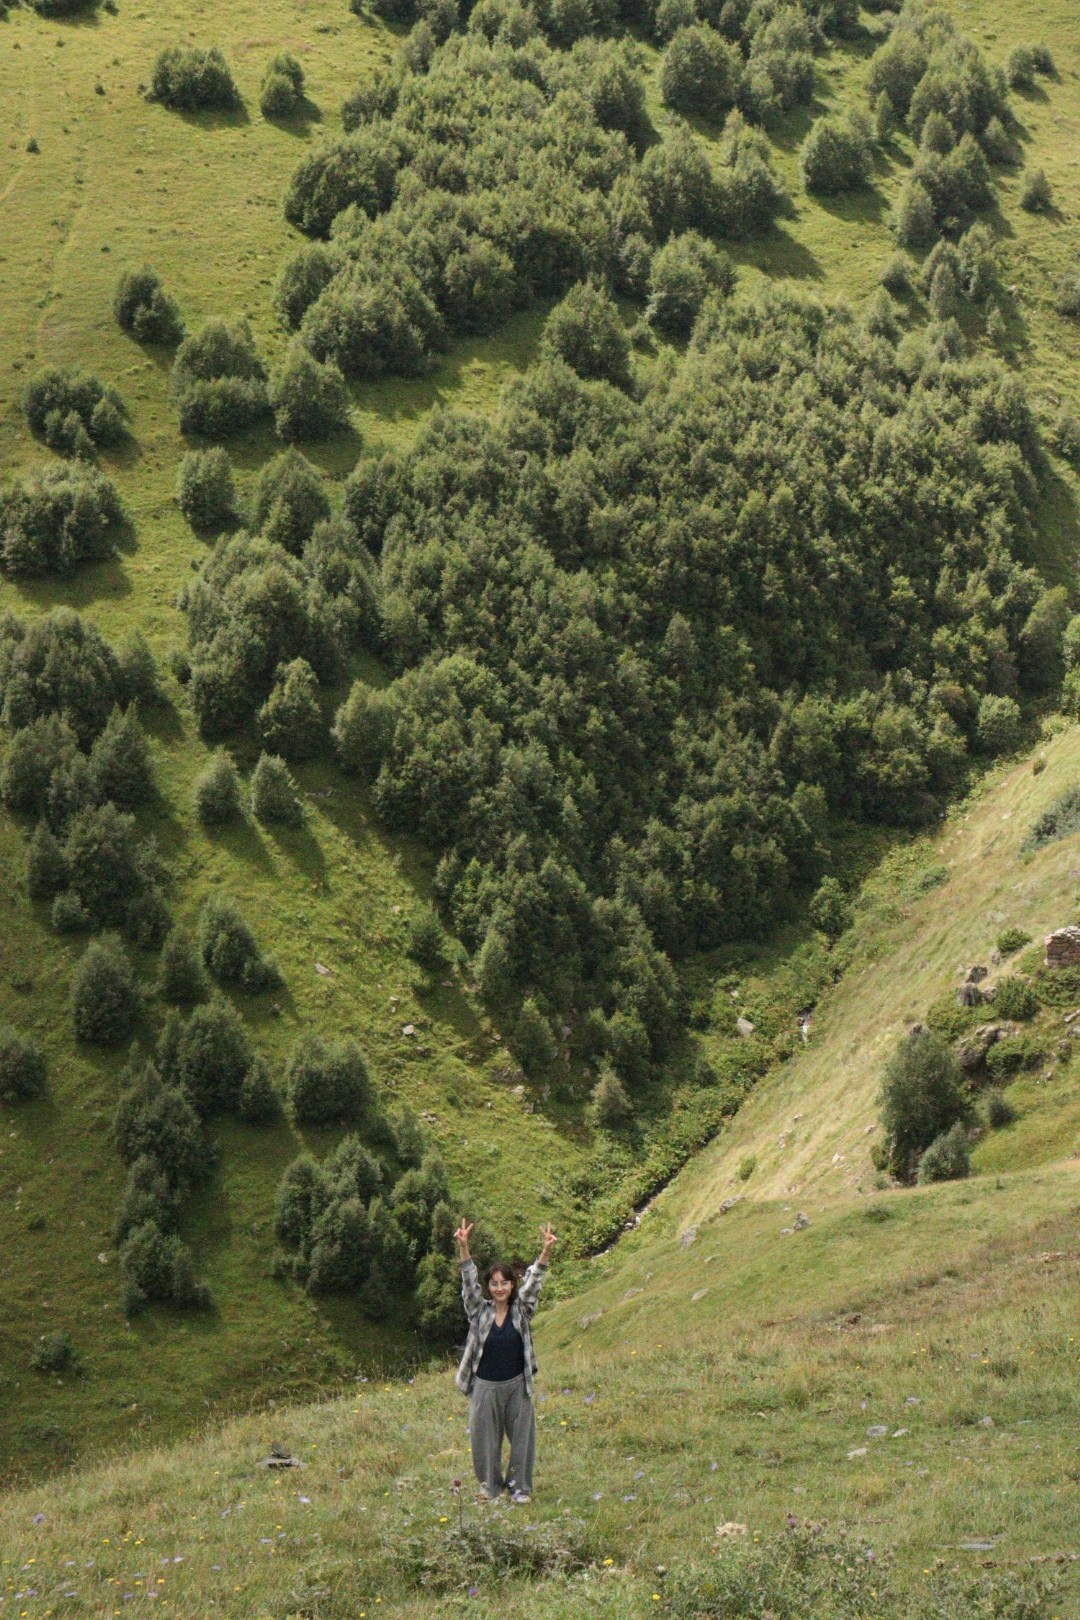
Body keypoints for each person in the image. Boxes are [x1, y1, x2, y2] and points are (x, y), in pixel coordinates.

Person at [454, 1216, 557, 1504]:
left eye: (505, 1283)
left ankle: (519, 1488)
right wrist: (464, 1248)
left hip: (516, 1386)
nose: (499, 1288)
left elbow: (535, 1281)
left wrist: (546, 1251)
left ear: (512, 1286)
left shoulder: (521, 1310)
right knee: (484, 1442)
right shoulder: (479, 1311)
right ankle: (490, 1488)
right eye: (494, 1284)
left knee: (522, 1439)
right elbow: (468, 1283)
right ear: (488, 1287)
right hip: (485, 1388)